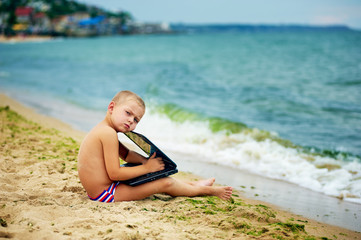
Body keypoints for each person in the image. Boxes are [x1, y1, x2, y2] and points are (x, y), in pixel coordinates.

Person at [78, 90, 233, 202]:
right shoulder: (108, 134)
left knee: (152, 177)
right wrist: (147, 168)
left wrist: (146, 161)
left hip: (105, 188)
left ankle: (193, 184)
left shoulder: (104, 130)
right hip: (105, 193)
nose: (131, 120)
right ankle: (208, 191)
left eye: (136, 120)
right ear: (111, 108)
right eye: (128, 113)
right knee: (165, 183)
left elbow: (126, 155)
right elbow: (115, 174)